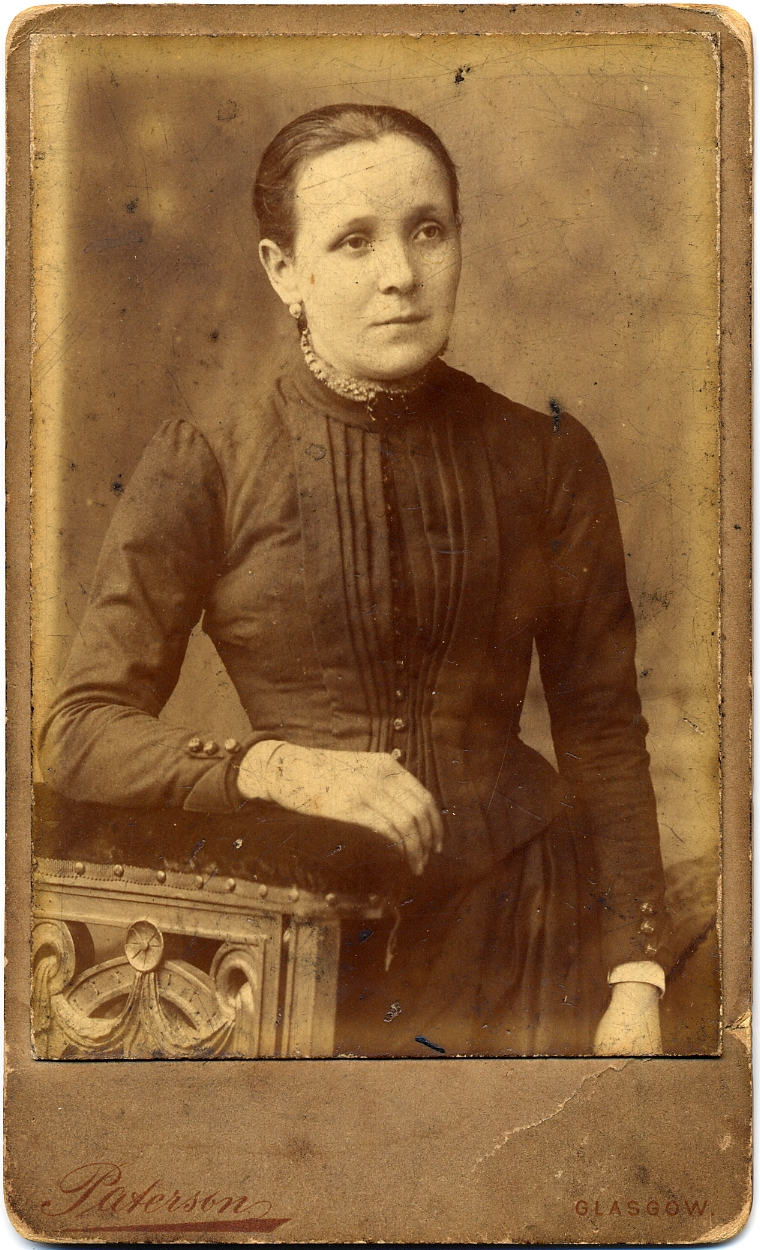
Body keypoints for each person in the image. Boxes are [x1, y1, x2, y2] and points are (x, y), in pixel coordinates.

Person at [39, 103, 669, 1057]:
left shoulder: (546, 457)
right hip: (294, 948)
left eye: (429, 230)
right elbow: (78, 732)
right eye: (353, 241)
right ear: (283, 270)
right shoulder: (209, 459)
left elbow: (606, 734)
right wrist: (278, 768)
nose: (401, 275)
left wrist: (636, 979)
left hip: (525, 928)